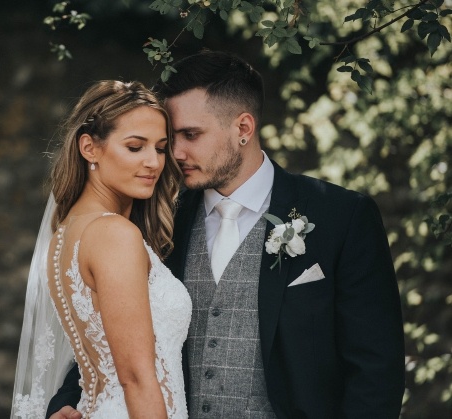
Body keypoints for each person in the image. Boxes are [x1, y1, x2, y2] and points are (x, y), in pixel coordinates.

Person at [46, 51, 405, 418]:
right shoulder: (162, 220)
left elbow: (376, 369)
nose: (175, 154)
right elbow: (119, 334)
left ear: (243, 129)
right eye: (172, 138)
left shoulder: (340, 216)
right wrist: (68, 403)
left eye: (191, 135)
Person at [11, 80, 192, 419]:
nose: (154, 162)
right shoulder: (114, 234)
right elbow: (137, 378)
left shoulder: (67, 233)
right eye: (135, 147)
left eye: (161, 147)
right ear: (89, 148)